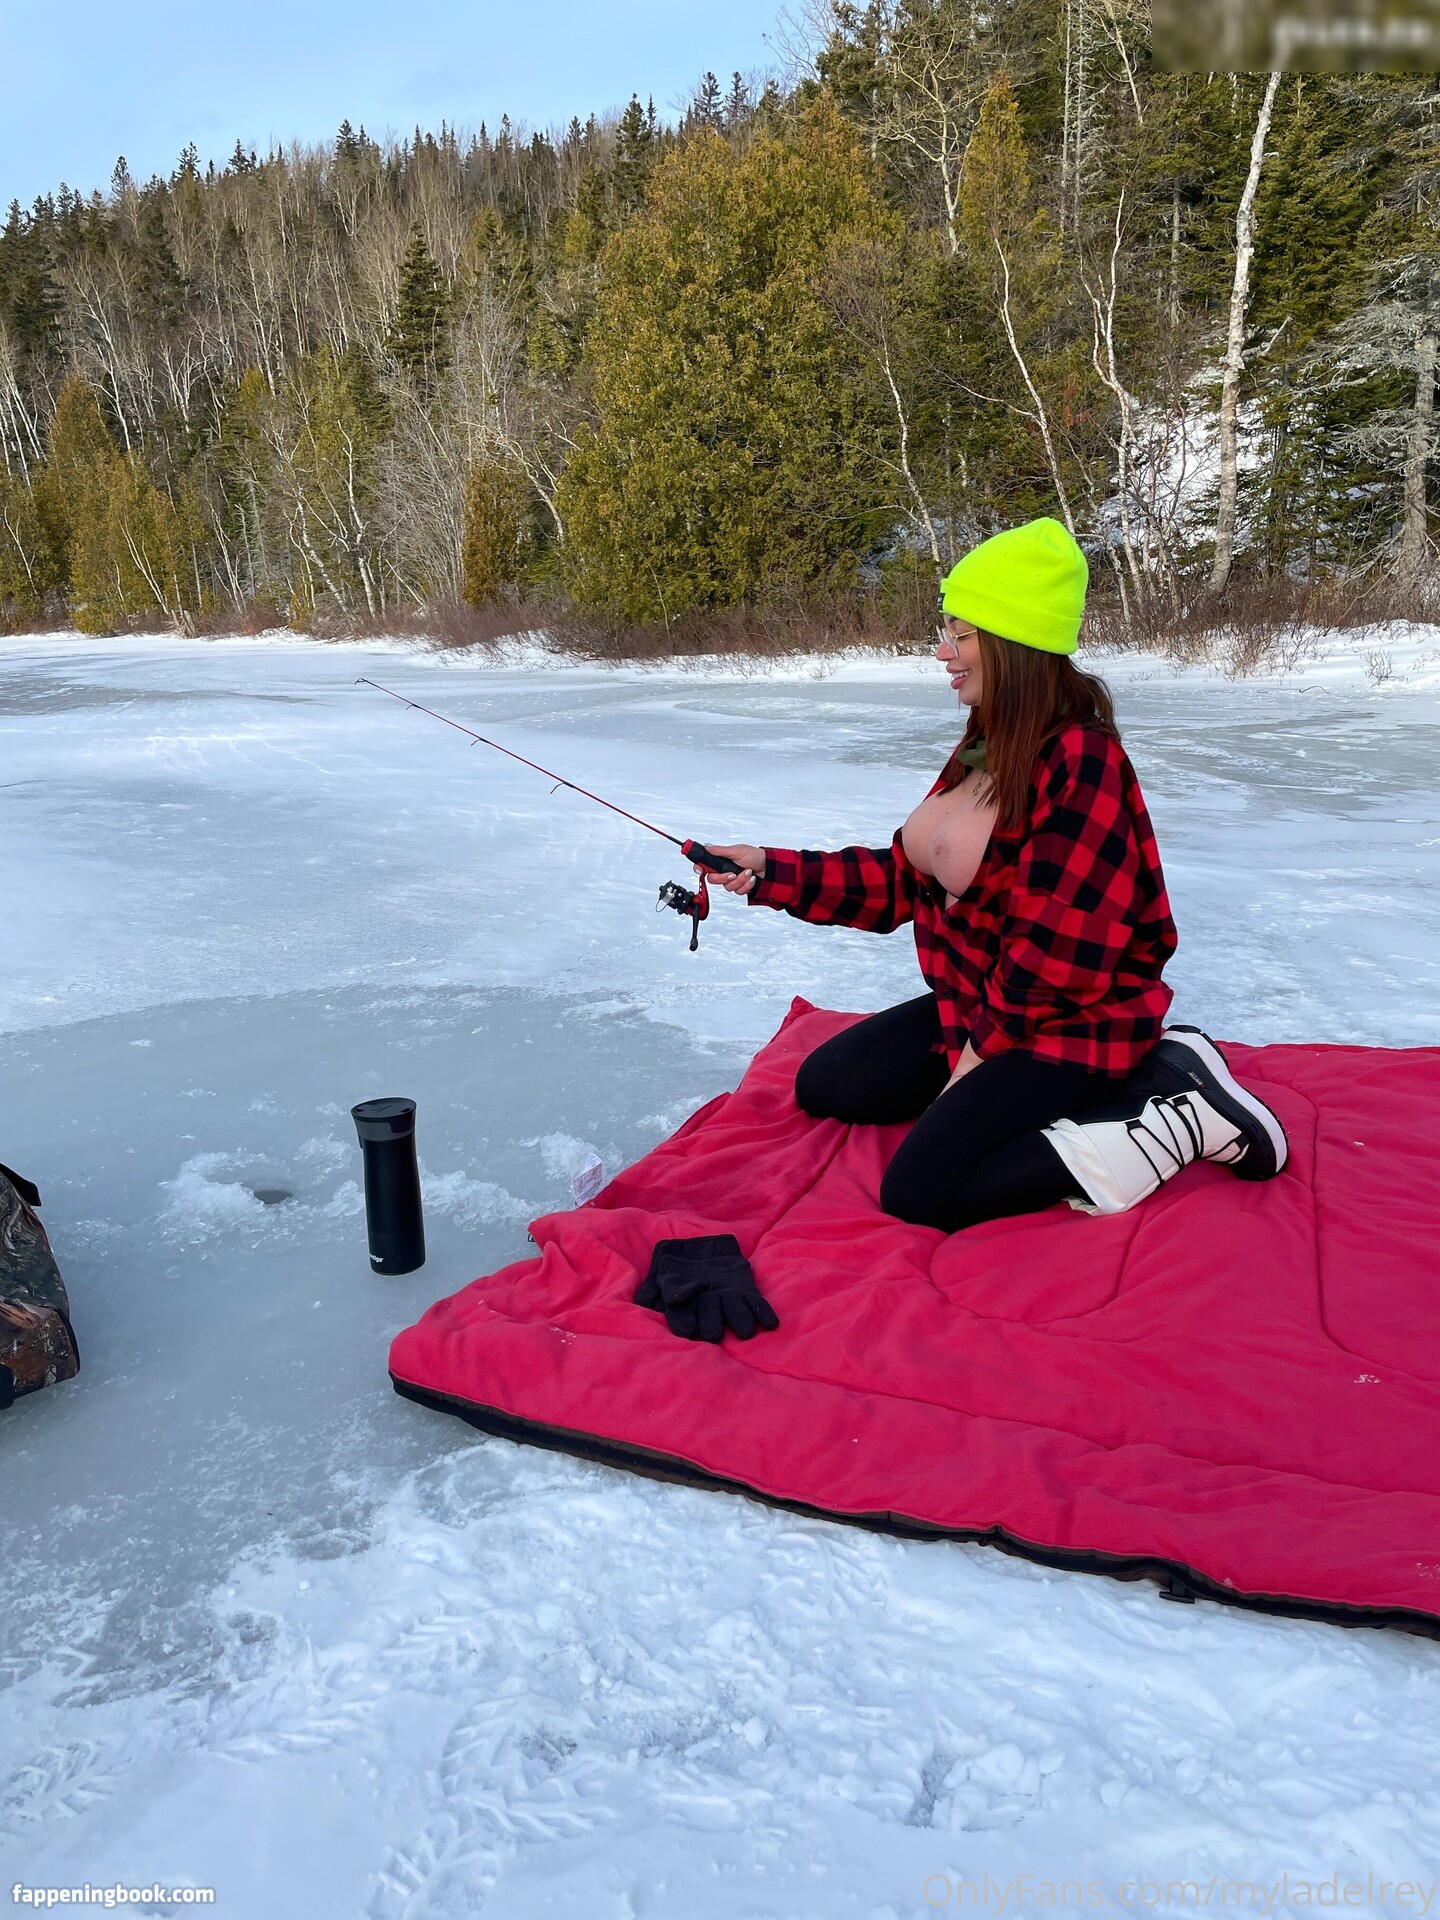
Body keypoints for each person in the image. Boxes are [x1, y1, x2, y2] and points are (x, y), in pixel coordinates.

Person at [704, 517, 1287, 1233]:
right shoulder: (986, 746)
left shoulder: (1083, 762)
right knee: (829, 1085)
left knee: (922, 1192)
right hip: (978, 1003)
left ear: (1013, 642)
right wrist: (770, 872)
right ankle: (1070, 1090)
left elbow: (1056, 956)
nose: (942, 652)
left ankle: (1180, 1112)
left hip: (1070, 1025)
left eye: (961, 634)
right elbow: (904, 879)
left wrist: (972, 1067)